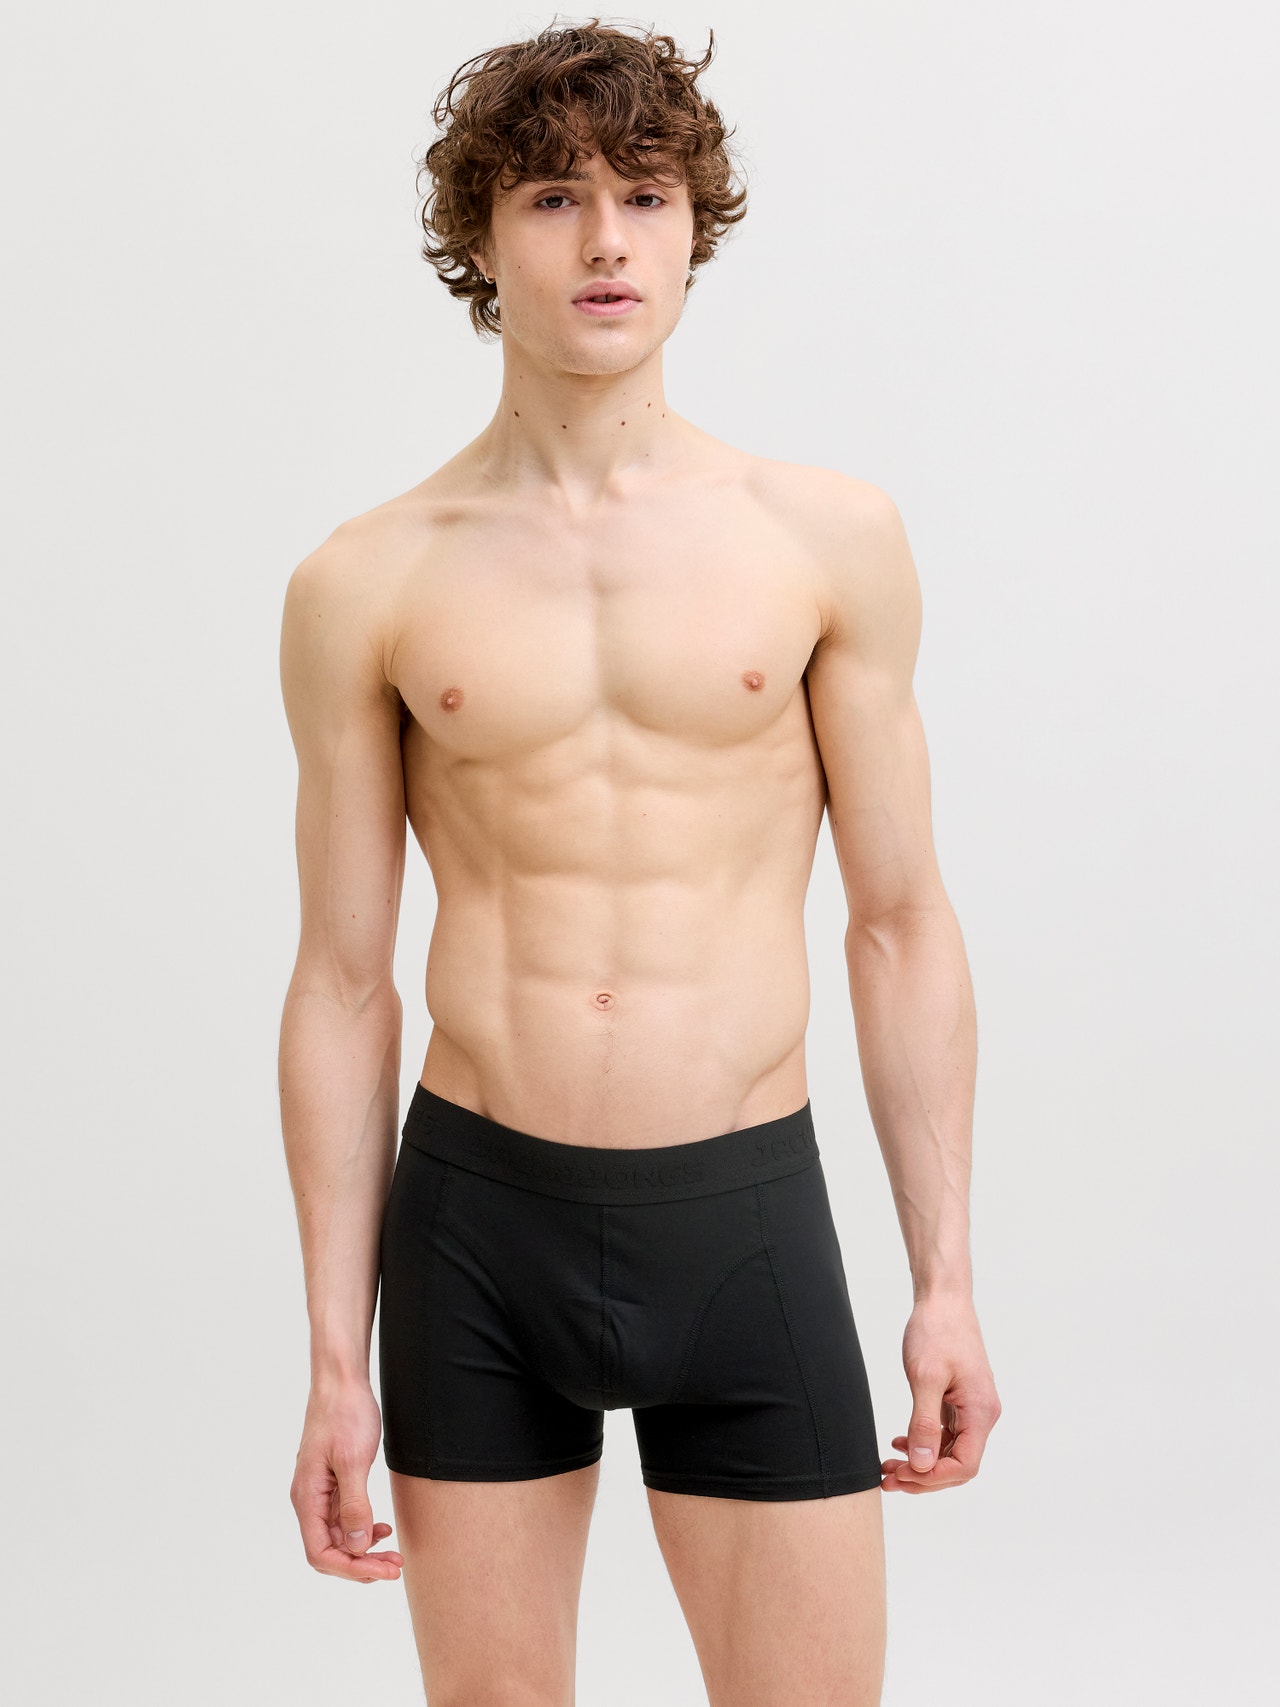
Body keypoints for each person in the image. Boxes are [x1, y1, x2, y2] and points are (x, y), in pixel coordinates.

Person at [277, 17, 1000, 1705]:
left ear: (693, 227)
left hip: (744, 1216)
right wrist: (331, 1359)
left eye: (647, 196)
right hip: (477, 1232)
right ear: (480, 236)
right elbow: (342, 982)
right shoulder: (365, 581)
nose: (607, 240)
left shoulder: (824, 540)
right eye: (553, 198)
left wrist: (947, 1280)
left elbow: (900, 925)